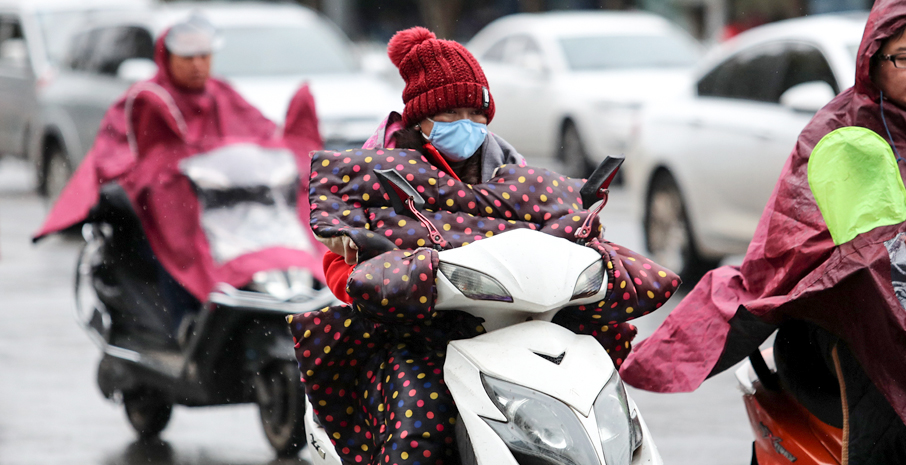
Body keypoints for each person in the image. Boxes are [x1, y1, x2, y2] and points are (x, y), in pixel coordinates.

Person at [621, 0, 906, 463]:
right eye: (905, 57)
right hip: (842, 323)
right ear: (874, 62)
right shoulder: (838, 133)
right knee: (882, 338)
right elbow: (800, 244)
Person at [289, 26, 679, 465]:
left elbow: (561, 229)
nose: (469, 125)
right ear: (422, 116)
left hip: (520, 328)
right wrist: (374, 283)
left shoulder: (515, 172)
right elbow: (342, 255)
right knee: (420, 414)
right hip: (420, 334)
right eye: (453, 112)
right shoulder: (375, 173)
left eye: (477, 112)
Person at [35, 14, 322, 326]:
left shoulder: (223, 94)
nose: (197, 65)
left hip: (226, 213)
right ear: (166, 57)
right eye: (187, 58)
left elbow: (263, 136)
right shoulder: (142, 100)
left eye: (204, 56)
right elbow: (117, 157)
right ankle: (185, 323)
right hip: (173, 213)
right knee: (179, 245)